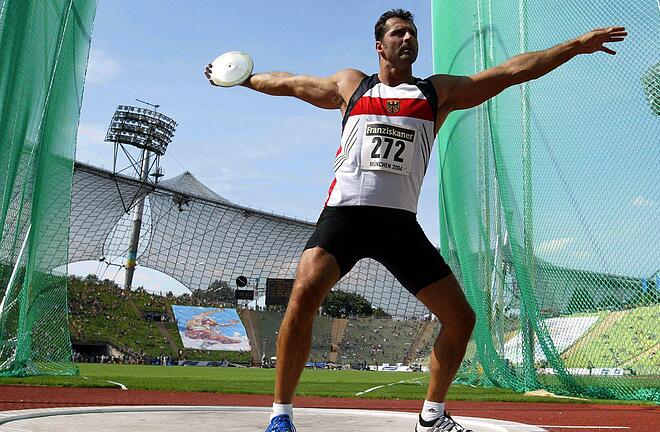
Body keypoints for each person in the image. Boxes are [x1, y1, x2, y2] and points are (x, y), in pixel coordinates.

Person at [206, 9, 626, 432]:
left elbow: (509, 72)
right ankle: (281, 415)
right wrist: (241, 77)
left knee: (462, 319)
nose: (408, 38)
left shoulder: (434, 93)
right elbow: (293, 84)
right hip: (345, 217)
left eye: (412, 32)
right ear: (379, 45)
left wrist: (574, 46)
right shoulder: (351, 85)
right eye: (398, 32)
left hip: (398, 227)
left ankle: (431, 415)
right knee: (301, 299)